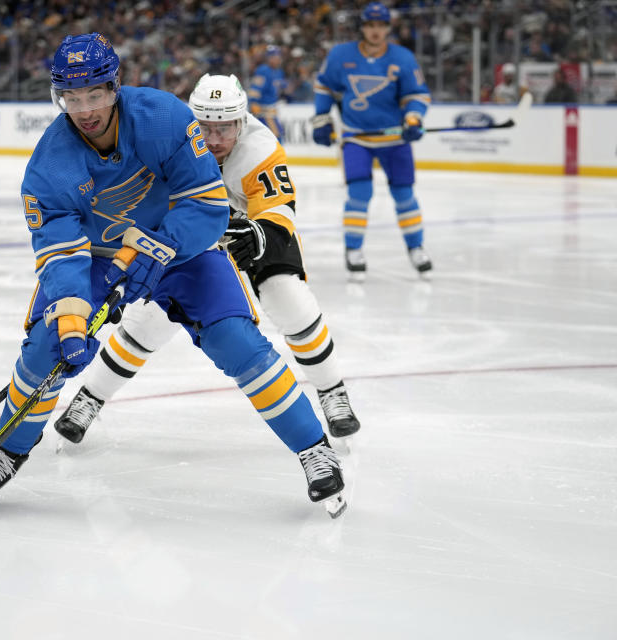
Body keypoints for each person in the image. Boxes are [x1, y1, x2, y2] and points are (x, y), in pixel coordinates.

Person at [0, 33, 346, 516]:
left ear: (113, 87)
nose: (85, 109)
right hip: (103, 257)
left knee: (234, 340)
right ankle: (9, 450)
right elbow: (61, 254)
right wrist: (75, 315)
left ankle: (314, 447)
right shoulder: (47, 167)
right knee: (48, 345)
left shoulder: (164, 118)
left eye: (94, 94)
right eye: (71, 98)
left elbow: (206, 207)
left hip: (181, 249)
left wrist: (159, 249)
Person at [55, 73, 360, 448]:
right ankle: (91, 397)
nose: (214, 140)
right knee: (151, 319)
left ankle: (331, 391)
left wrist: (259, 233)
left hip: (248, 233)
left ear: (242, 122)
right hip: (194, 235)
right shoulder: (170, 138)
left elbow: (280, 209)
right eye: (206, 127)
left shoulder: (258, 148)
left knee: (287, 297)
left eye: (225, 128)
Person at [311, 2, 432, 280]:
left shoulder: (402, 58)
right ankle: (353, 250)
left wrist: (414, 118)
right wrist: (321, 118)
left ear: (388, 28)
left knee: (404, 195)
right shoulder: (341, 55)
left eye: (381, 25)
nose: (376, 31)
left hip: (394, 138)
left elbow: (416, 94)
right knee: (359, 193)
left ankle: (416, 247)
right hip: (357, 137)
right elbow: (324, 85)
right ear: (363, 27)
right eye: (370, 25)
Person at [248, 45, 287, 142]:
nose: (277, 59)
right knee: (275, 139)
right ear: (269, 58)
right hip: (263, 113)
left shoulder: (279, 72)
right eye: (274, 57)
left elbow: (280, 88)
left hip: (272, 112)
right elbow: (254, 90)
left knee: (276, 139)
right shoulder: (263, 70)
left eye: (278, 57)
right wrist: (253, 103)